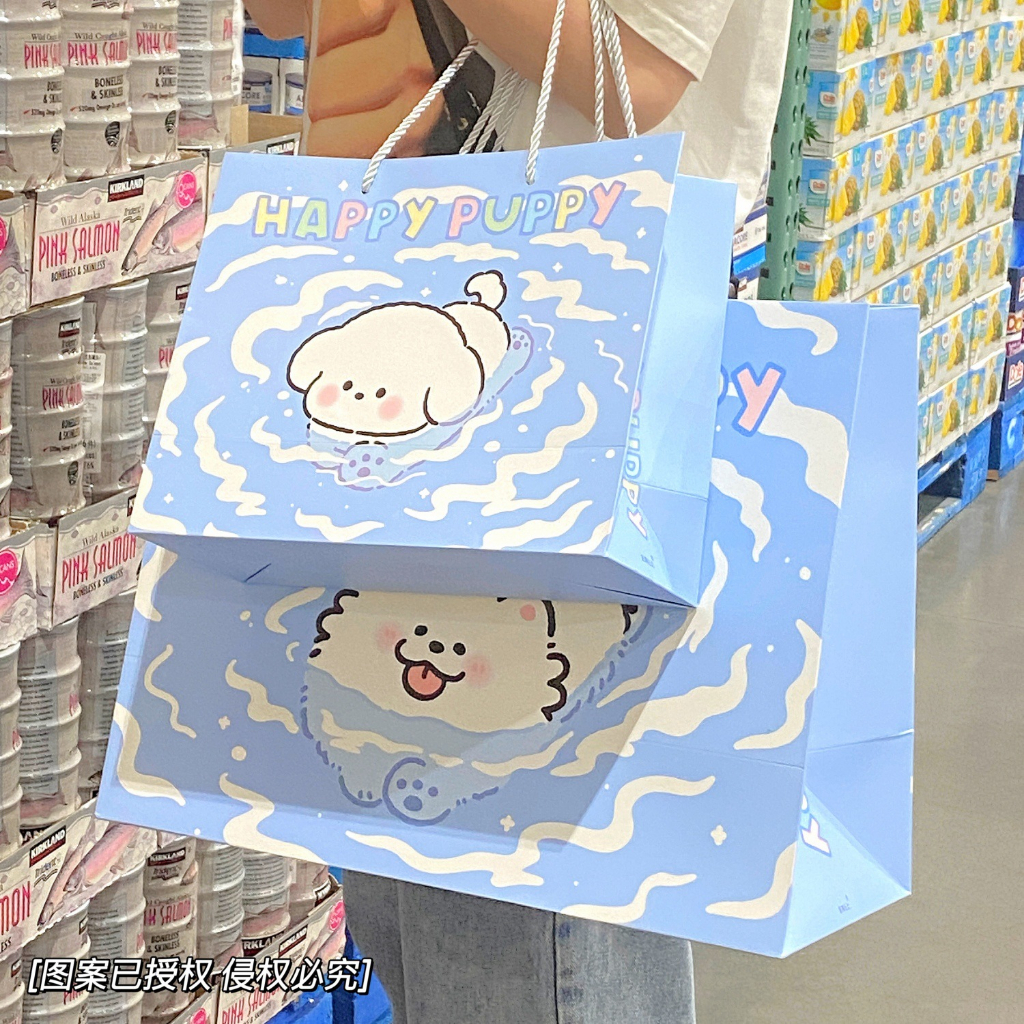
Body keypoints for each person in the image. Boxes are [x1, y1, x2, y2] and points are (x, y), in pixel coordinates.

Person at [242, 2, 793, 1021]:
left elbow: (632, 70)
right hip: (385, 302)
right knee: (408, 875)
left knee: (526, 914)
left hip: (578, 347)